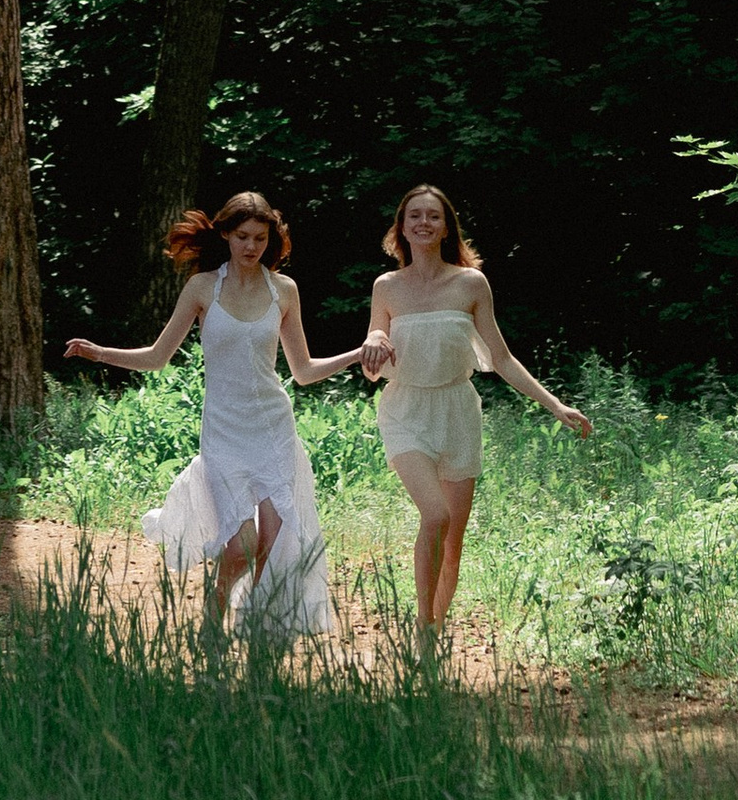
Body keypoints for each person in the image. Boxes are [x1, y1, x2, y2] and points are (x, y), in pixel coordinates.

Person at [64, 188, 374, 637]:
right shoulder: (203, 288)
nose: (252, 246)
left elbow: (304, 371)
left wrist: (357, 354)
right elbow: (157, 357)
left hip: (273, 427)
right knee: (242, 545)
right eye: (243, 236)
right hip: (224, 431)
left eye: (261, 238)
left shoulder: (284, 291)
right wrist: (100, 353)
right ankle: (215, 611)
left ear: (271, 240)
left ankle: (256, 627)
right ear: (226, 234)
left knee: (272, 541)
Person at [361, 182, 591, 631]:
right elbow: (374, 355)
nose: (424, 223)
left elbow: (501, 358)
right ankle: (423, 626)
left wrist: (556, 406)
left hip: (458, 412)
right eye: (415, 216)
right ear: (401, 227)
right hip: (405, 409)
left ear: (447, 227)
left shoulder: (470, 283)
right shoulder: (386, 287)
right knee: (436, 515)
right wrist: (374, 341)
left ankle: (436, 628)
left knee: (453, 542)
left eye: (433, 216)